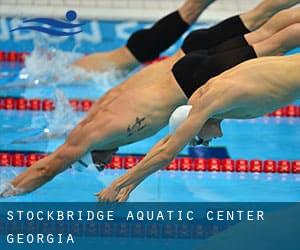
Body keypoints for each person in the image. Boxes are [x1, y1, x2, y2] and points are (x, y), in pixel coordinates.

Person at [1, 0, 300, 198]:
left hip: (192, 78)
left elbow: (46, 167)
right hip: (187, 55)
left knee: (276, 38)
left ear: (90, 150)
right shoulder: (100, 108)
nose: (104, 165)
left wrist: (8, 191)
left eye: (94, 162)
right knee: (270, 28)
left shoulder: (95, 133)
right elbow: (67, 139)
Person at [97, 53, 300, 202]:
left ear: (197, 124)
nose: (207, 143)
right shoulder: (200, 101)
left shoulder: (212, 100)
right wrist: (131, 186)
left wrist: (116, 184)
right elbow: (169, 141)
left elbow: (167, 154)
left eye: (199, 140)